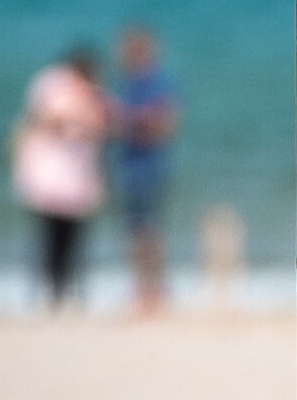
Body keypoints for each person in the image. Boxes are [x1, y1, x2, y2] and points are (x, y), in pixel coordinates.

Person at [13, 45, 112, 308]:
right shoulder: (53, 86)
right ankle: (52, 292)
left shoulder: (91, 93)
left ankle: (69, 291)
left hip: (76, 178)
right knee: (52, 237)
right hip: (52, 177)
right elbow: (44, 120)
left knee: (73, 238)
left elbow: (99, 129)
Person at [107, 23, 181, 313]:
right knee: (133, 231)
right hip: (128, 165)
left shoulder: (158, 81)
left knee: (150, 230)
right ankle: (142, 289)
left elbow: (165, 123)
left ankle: (156, 290)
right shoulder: (126, 83)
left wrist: (128, 119)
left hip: (151, 166)